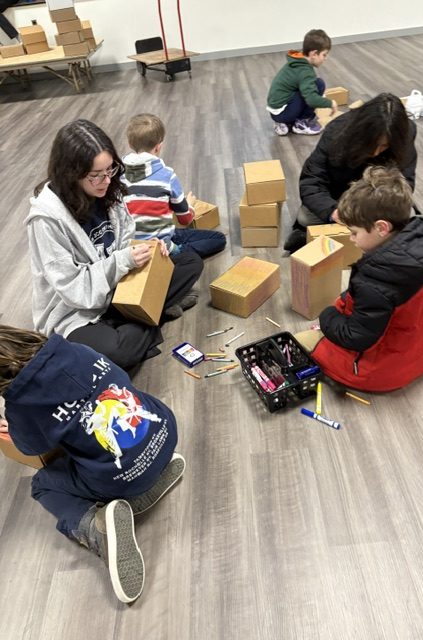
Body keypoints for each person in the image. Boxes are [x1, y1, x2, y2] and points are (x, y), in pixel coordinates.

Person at [0, 325, 186, 604]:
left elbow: (31, 448)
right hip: (164, 430)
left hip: (121, 474)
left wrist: (15, 427)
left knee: (42, 484)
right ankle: (147, 477)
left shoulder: (22, 406)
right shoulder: (75, 348)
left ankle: (95, 528)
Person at [26, 119, 204, 371]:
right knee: (119, 352)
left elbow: (124, 243)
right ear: (70, 174)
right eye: (95, 175)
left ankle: (142, 317)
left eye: (110, 169)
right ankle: (152, 314)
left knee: (190, 261)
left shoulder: (110, 190)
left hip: (117, 289)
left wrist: (149, 249)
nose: (106, 180)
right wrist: (125, 260)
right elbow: (74, 289)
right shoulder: (46, 219)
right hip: (76, 311)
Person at [297, 166, 423, 392]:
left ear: (381, 228)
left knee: (301, 341)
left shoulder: (376, 279)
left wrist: (326, 316)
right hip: (419, 355)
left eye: (354, 232)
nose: (351, 239)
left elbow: (355, 337)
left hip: (381, 372)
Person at [284, 92, 418, 252]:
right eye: (371, 144)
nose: (375, 152)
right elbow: (311, 181)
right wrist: (333, 211)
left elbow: (405, 182)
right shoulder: (337, 132)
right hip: (339, 198)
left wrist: (376, 211)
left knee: (406, 215)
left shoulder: (405, 134)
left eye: (384, 146)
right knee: (305, 217)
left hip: (376, 201)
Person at [122, 113, 226, 259]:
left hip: (132, 249)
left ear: (130, 143)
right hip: (162, 247)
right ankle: (176, 254)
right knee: (219, 239)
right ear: (158, 147)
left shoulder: (119, 175)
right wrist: (190, 205)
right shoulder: (167, 176)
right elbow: (185, 220)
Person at [266, 29, 337, 136]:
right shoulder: (305, 71)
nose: (326, 58)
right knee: (319, 85)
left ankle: (283, 123)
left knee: (314, 85)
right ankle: (301, 124)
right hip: (284, 114)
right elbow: (312, 100)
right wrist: (330, 103)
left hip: (276, 112)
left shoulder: (297, 60)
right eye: (324, 55)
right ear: (314, 54)